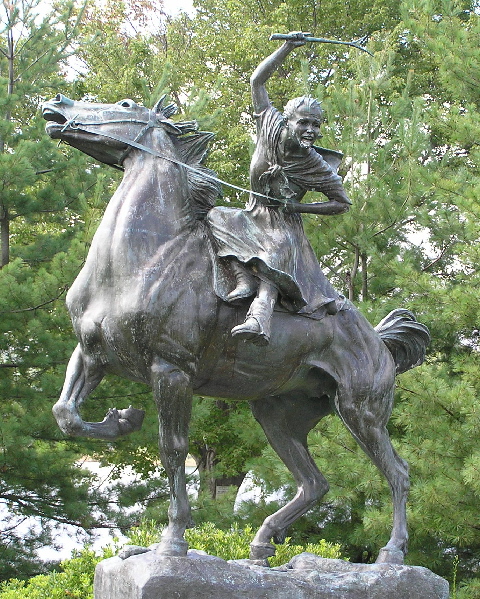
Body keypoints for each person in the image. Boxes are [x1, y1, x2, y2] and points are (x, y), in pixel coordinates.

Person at [208, 32, 351, 345]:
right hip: (254, 212)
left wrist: (299, 207)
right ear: (289, 120)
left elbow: (341, 202)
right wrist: (286, 47)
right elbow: (257, 82)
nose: (311, 130)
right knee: (217, 216)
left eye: (316, 125)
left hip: (284, 223)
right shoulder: (270, 123)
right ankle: (244, 280)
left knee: (276, 250)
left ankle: (260, 318)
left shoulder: (317, 165)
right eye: (304, 123)